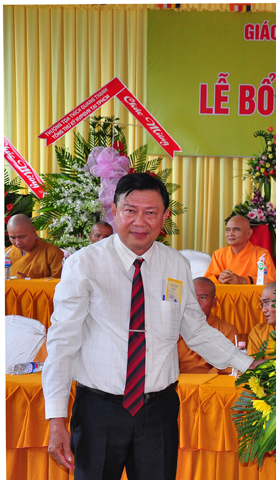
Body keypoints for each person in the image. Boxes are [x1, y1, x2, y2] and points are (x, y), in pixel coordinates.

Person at [43, 173, 262, 479]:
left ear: (165, 216)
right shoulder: (84, 264)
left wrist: (248, 365)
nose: (140, 222)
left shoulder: (176, 265)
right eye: (130, 210)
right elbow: (62, 342)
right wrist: (56, 419)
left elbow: (196, 330)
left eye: (150, 212)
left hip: (158, 410)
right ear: (114, 211)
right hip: (98, 410)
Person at [176, 277, 241, 374]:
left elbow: (228, 365)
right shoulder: (175, 327)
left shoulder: (227, 330)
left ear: (213, 303)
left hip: (210, 381)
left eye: (203, 297)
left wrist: (205, 380)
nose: (196, 303)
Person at [204, 214, 276, 285]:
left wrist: (244, 280)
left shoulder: (261, 254)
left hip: (251, 294)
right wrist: (219, 279)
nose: (230, 234)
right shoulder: (219, 254)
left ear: (248, 233)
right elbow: (206, 282)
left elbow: (270, 280)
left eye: (236, 230)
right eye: (228, 230)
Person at [5, 214, 64, 278]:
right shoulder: (6, 254)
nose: (18, 242)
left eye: (22, 237)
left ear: (33, 232)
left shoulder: (53, 253)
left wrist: (30, 282)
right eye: (13, 238)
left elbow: (61, 281)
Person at [248, 282, 276, 356]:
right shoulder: (259, 332)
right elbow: (253, 362)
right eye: (262, 304)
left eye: (267, 302)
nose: (264, 310)